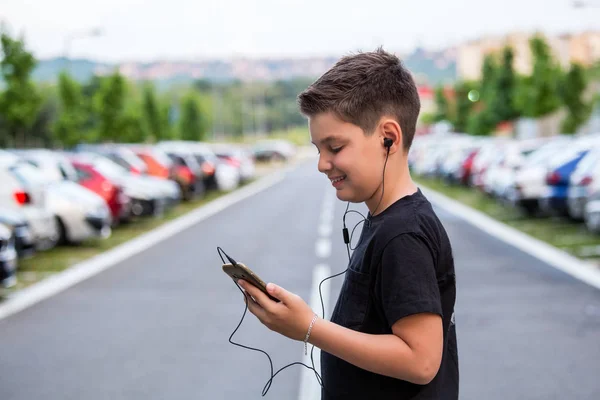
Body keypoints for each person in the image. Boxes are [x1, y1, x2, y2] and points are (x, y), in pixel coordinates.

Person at [237, 47, 459, 399]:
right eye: (317, 149)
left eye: (335, 147)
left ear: (389, 137)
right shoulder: (385, 220)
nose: (322, 164)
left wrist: (308, 327)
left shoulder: (403, 234)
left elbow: (421, 361)